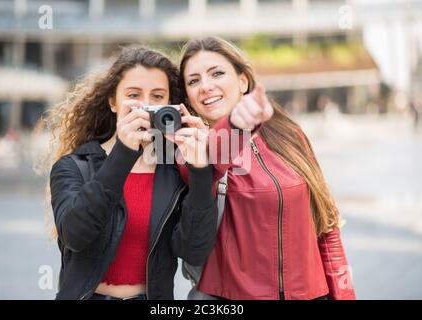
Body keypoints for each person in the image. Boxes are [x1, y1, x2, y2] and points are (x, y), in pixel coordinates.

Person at [173, 36, 356, 300]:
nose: (205, 86)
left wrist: (344, 294)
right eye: (194, 81)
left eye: (217, 73)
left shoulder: (290, 134)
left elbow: (326, 224)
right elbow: (211, 162)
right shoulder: (192, 150)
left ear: (243, 81)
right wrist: (236, 124)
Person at [46, 46, 217, 300]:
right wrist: (124, 153)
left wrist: (201, 173)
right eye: (134, 95)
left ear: (170, 105)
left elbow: (194, 251)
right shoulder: (74, 166)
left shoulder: (174, 171)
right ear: (113, 102)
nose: (145, 106)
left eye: (157, 96)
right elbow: (75, 235)